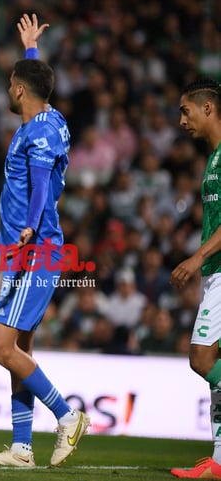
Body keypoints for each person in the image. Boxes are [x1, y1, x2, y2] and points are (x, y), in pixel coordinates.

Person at [0, 14, 89, 468]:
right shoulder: (51, 118)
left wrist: (31, 225)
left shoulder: (37, 130)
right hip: (28, 250)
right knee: (20, 351)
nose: (8, 89)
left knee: (0, 347)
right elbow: (37, 85)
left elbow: (40, 182)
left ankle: (67, 415)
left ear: (19, 90)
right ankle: (22, 448)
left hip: (32, 251)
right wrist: (31, 52)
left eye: (11, 83)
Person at [170, 78, 221, 480]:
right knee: (215, 368)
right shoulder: (213, 158)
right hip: (213, 272)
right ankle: (219, 461)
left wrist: (197, 255)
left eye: (186, 110)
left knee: (201, 359)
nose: (181, 119)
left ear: (208, 108)